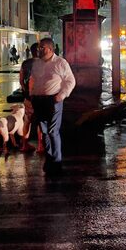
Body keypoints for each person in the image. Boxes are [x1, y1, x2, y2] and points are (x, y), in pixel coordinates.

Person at [29, 38, 76, 175]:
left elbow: (70, 80)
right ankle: (49, 160)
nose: (39, 50)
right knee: (44, 132)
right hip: (38, 101)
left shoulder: (60, 63)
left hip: (53, 101)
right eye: (39, 47)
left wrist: (62, 95)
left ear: (50, 49)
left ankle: (56, 162)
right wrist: (31, 95)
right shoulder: (37, 63)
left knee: (52, 131)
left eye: (42, 47)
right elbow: (33, 79)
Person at [18, 42, 40, 152]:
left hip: (28, 98)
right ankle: (41, 146)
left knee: (27, 120)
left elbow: (21, 80)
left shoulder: (25, 63)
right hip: (41, 97)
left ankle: (24, 145)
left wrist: (25, 90)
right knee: (41, 121)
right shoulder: (44, 63)